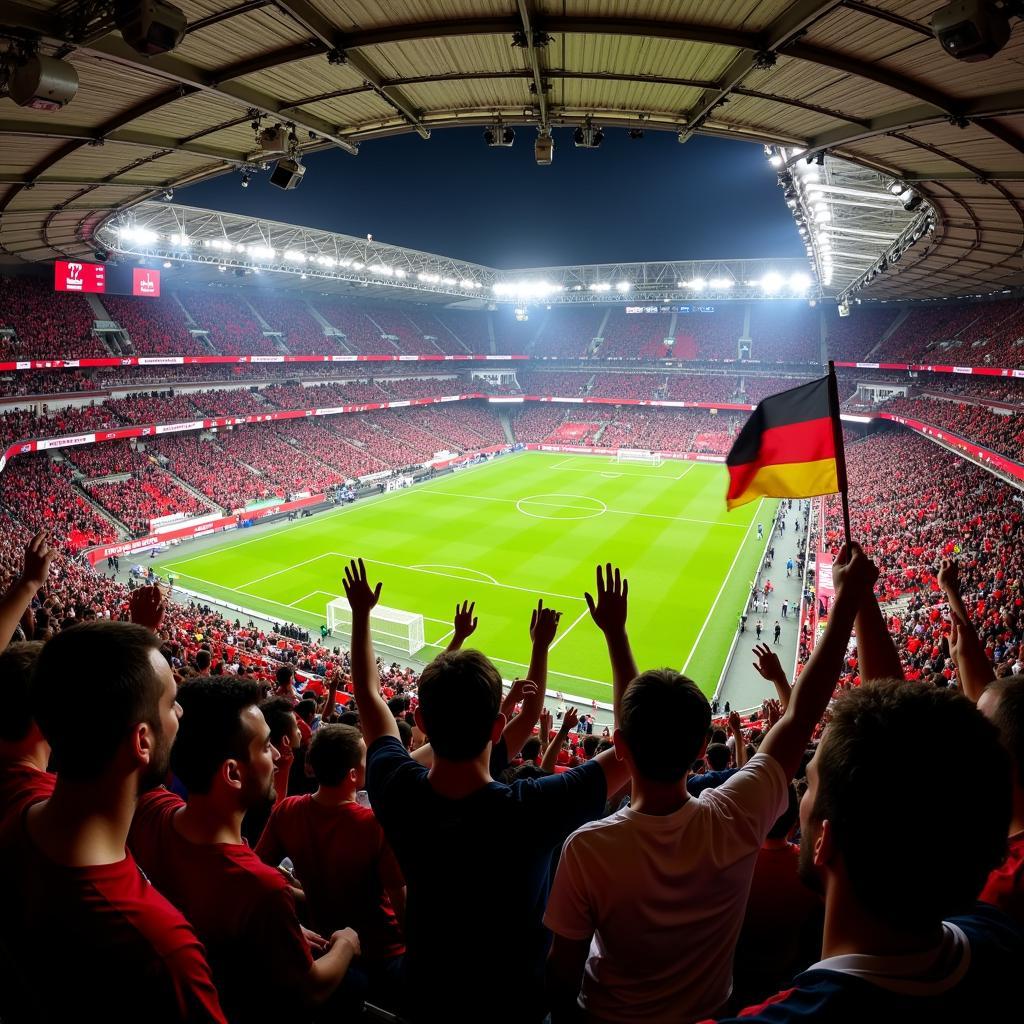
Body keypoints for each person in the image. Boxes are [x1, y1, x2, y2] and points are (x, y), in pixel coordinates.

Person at [543, 544, 878, 1024]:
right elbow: (801, 717)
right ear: (703, 748)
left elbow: (562, 977)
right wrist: (847, 602)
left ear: (619, 745)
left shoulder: (586, 848)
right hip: (710, 1015)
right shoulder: (736, 817)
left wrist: (616, 634)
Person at [344, 558, 633, 1023]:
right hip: (512, 1007)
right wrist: (611, 635)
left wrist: (361, 616)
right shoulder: (533, 809)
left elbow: (368, 695)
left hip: (425, 998)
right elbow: (634, 744)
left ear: (420, 724)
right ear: (499, 727)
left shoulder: (395, 789)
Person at [706, 680, 1019, 1022]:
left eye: (809, 785)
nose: (801, 795)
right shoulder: (999, 934)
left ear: (825, 840)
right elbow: (907, 759)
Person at [0, 622, 227, 1023]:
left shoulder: (14, 794)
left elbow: (82, 693)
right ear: (141, 741)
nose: (180, 711)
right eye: (171, 701)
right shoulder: (164, 949)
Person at [128, 676, 360, 1022]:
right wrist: (347, 942)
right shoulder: (261, 889)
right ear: (233, 773)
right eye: (266, 747)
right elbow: (311, 987)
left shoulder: (146, 810)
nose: (281, 755)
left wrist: (286, 932)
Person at [256, 724, 406, 1007]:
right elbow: (401, 905)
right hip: (383, 953)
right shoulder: (374, 826)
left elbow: (255, 872)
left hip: (324, 941)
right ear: (353, 775)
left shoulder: (287, 810)